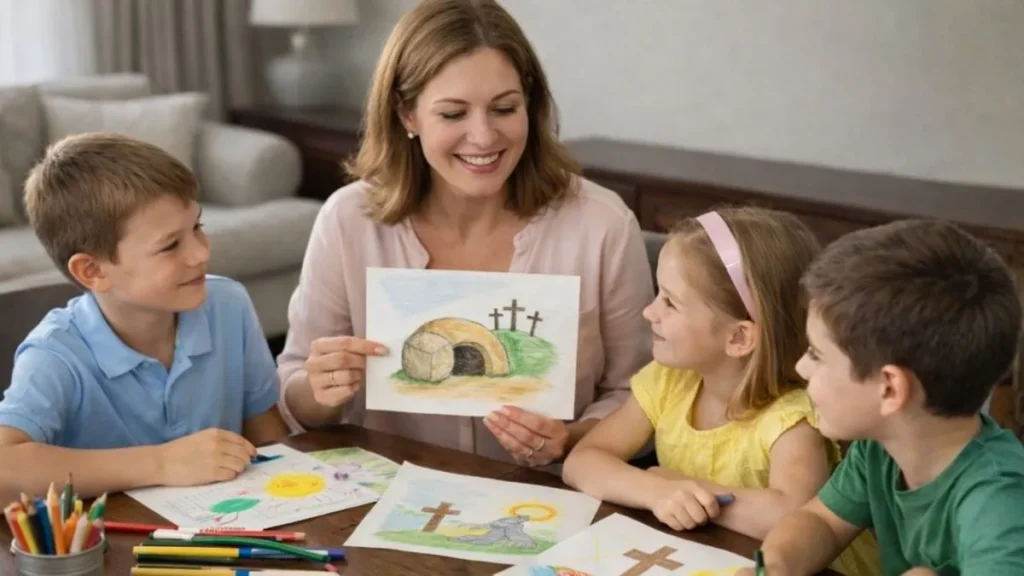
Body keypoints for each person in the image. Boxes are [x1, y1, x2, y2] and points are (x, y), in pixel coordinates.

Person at [276, 0, 653, 467]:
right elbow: (295, 393)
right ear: (407, 115)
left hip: (545, 496)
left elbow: (643, 393)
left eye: (504, 108)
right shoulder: (348, 220)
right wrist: (321, 391)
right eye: (454, 114)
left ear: (530, 106)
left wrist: (574, 438)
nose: (483, 136)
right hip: (385, 493)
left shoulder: (602, 225)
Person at [562, 208, 880, 576]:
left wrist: (688, 490)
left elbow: (795, 514)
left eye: (670, 302)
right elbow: (581, 462)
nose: (650, 312)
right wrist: (654, 491)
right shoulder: (669, 381)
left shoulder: (792, 418)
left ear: (739, 337)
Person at [0, 133, 289, 502]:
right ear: (92, 271)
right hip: (115, 550)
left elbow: (265, 426)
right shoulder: (55, 354)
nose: (201, 253)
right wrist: (161, 463)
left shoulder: (227, 304)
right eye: (170, 245)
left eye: (197, 227)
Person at [734, 220, 1024, 576]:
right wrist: (776, 566)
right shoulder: (883, 446)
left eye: (817, 354)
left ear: (889, 388)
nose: (801, 367)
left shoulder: (999, 502)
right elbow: (821, 522)